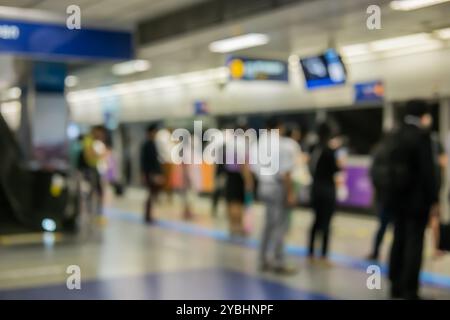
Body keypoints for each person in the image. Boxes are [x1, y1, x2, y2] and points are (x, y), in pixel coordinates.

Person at [387, 100, 439, 300]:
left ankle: (395, 285)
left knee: (398, 239)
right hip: (417, 201)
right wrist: (434, 199)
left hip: (396, 199)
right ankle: (410, 290)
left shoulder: (395, 135)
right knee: (414, 243)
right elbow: (427, 172)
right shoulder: (421, 137)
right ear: (422, 115)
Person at [252, 118, 297, 274]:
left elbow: (252, 165)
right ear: (279, 127)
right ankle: (278, 261)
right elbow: (285, 173)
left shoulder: (259, 143)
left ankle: (262, 259)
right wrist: (290, 193)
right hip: (277, 187)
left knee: (268, 225)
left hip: (263, 185)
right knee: (279, 226)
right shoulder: (281, 144)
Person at [308, 122, 342, 264]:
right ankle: (323, 255)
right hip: (327, 189)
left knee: (316, 220)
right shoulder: (329, 151)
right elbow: (336, 169)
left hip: (315, 188)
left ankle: (310, 252)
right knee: (326, 222)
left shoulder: (313, 148)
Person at [224, 126, 254, 237]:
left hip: (230, 175)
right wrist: (248, 180)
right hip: (238, 175)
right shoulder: (242, 143)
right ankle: (238, 227)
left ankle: (232, 226)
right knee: (237, 202)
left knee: (231, 201)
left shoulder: (231, 142)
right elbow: (243, 163)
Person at [78, 125, 107, 220]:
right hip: (89, 168)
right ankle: (90, 209)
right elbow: (88, 155)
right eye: (100, 132)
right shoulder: (88, 140)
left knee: (97, 189)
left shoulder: (95, 141)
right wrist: (97, 153)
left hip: (94, 168)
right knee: (91, 189)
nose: (101, 135)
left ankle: (97, 209)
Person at [140, 124, 164, 224]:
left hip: (152, 173)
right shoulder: (147, 145)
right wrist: (145, 174)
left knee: (152, 194)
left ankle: (149, 215)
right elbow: (145, 161)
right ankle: (148, 215)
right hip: (150, 173)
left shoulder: (153, 144)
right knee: (151, 194)